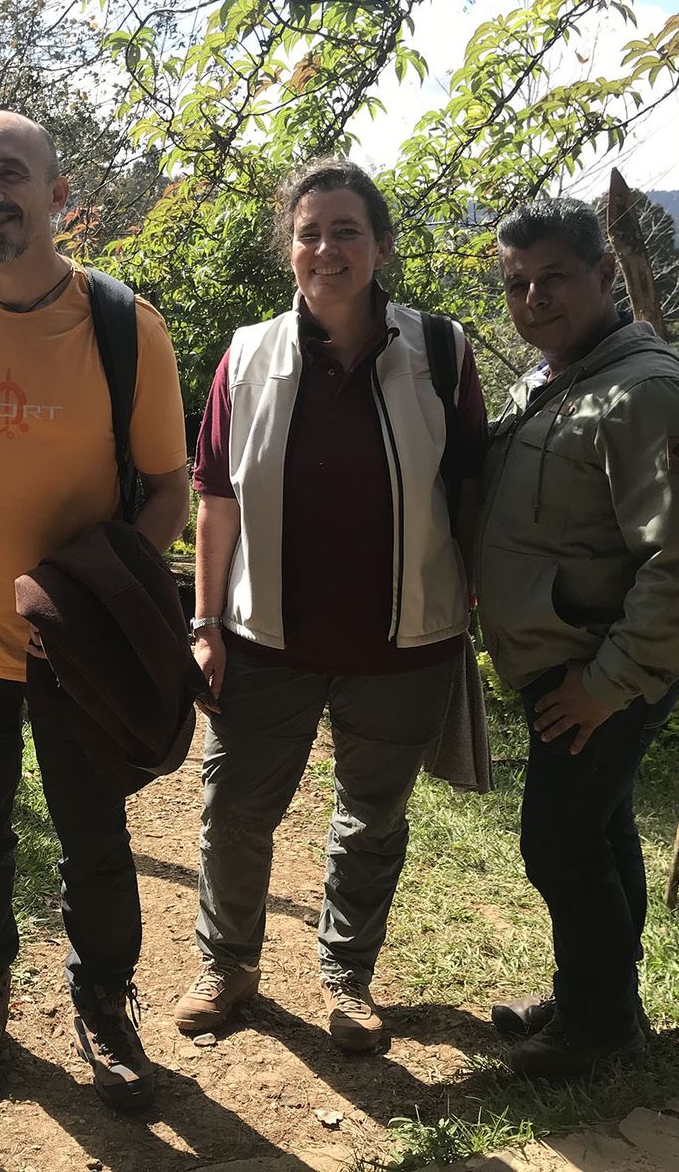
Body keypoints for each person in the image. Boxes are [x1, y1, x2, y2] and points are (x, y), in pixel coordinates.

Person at [0, 110, 189, 1110]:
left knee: (92, 829)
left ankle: (104, 1002)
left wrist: (104, 601)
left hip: (77, 648)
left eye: (11, 175)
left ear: (58, 195)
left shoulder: (123, 326)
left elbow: (166, 488)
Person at [178, 157, 488, 1054]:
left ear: (381, 246)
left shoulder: (439, 351)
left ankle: (347, 976)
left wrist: (473, 608)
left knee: (371, 818)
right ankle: (227, 966)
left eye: (346, 231)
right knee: (236, 812)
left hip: (403, 642)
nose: (326, 249)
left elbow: (473, 487)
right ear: (291, 250)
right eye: (309, 233)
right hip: (264, 638)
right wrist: (205, 625)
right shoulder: (247, 356)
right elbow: (216, 499)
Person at [477, 198, 679, 1080]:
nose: (534, 299)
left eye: (553, 278)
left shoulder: (644, 393)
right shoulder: (558, 375)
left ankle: (599, 1029)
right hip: (565, 658)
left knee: (559, 842)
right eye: (517, 284)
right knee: (602, 829)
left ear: (605, 274)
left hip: (600, 669)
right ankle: (599, 997)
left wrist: (606, 684)